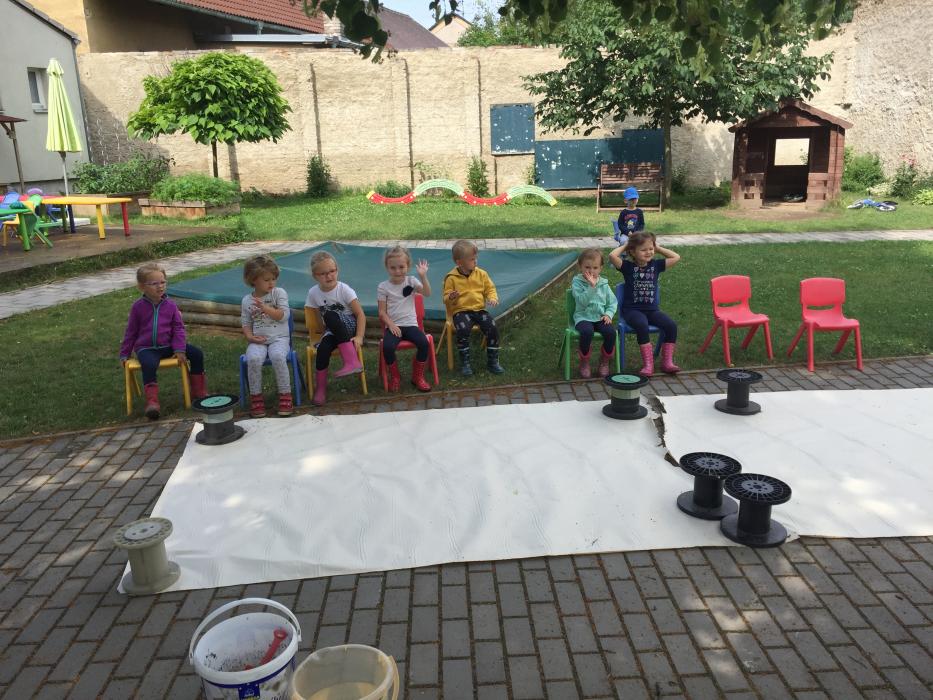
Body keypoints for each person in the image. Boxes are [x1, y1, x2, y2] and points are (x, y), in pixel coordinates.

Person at [120, 262, 207, 420]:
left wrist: (179, 349)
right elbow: (130, 332)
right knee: (148, 364)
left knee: (197, 354)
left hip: (169, 346)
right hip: (147, 348)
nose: (160, 286)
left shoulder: (171, 305)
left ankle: (198, 392)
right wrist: (124, 353)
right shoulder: (137, 307)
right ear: (142, 287)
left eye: (163, 282)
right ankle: (152, 402)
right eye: (154, 283)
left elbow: (178, 329)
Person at [608, 231, 681, 376]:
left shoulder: (656, 265)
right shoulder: (627, 267)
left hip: (652, 311)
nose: (649, 252)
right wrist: (627, 245)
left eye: (651, 248)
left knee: (671, 326)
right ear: (633, 252)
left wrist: (658, 248)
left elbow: (676, 257)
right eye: (643, 249)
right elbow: (612, 256)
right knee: (641, 324)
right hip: (632, 311)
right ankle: (648, 365)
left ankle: (667, 362)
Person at [305, 250, 366, 406]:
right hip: (331, 330)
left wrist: (359, 336)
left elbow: (360, 314)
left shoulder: (344, 289)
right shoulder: (313, 293)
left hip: (350, 327)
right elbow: (318, 319)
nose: (329, 276)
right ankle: (321, 389)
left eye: (332, 271)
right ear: (315, 276)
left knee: (330, 315)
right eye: (323, 273)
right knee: (323, 349)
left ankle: (352, 361)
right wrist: (320, 335)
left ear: (337, 270)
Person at [241, 255, 293, 418]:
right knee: (253, 358)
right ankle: (256, 398)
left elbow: (283, 316)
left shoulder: (279, 293)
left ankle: (285, 395)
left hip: (280, 339)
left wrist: (265, 308)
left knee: (277, 356)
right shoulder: (247, 300)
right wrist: (250, 337)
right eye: (266, 280)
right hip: (259, 340)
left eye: (273, 279)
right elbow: (246, 322)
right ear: (253, 280)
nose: (271, 283)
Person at [443, 239, 504, 376]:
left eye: (476, 258)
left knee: (492, 327)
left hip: (479, 310)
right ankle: (465, 363)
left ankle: (493, 362)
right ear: (459, 262)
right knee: (463, 329)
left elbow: (490, 289)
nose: (475, 261)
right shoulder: (451, 278)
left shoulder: (482, 274)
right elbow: (445, 299)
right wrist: (451, 297)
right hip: (461, 311)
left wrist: (493, 298)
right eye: (472, 259)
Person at [377, 245, 433, 392]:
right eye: (393, 268)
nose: (397, 271)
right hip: (393, 326)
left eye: (401, 267)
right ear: (387, 267)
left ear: (408, 266)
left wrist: (423, 276)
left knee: (424, 343)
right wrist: (391, 325)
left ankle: (417, 377)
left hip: (411, 325)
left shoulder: (412, 281)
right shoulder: (383, 287)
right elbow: (382, 312)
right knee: (387, 347)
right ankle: (395, 377)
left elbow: (427, 293)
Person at [571, 248, 618, 378]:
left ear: (601, 268)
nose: (591, 271)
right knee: (587, 332)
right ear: (580, 267)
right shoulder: (577, 282)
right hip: (583, 317)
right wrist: (591, 287)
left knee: (611, 333)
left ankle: (604, 361)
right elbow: (582, 301)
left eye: (595, 268)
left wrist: (608, 314)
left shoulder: (603, 284)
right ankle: (584, 362)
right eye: (587, 267)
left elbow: (612, 302)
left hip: (600, 317)